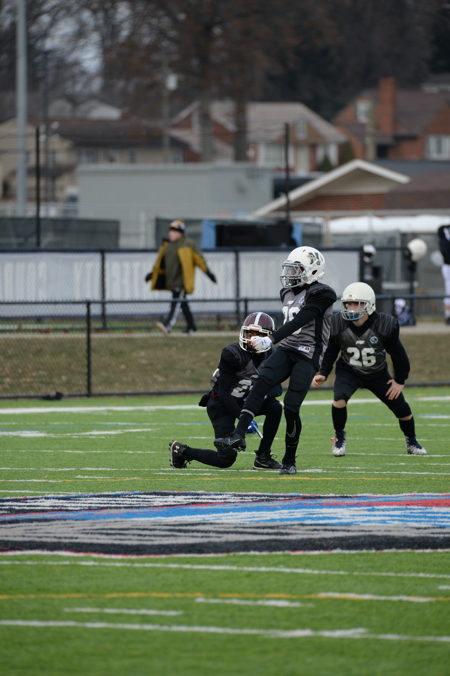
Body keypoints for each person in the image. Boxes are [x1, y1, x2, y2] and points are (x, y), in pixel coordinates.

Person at [214, 246, 337, 475]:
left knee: (291, 407)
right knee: (261, 383)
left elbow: (302, 319)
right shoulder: (286, 292)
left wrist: (270, 339)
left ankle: (289, 459)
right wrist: (275, 341)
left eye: (296, 269)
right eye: (290, 269)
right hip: (288, 348)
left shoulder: (323, 293)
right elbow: (291, 324)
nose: (291, 274)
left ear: (312, 270)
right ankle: (238, 435)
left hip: (308, 353)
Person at [311, 281, 427, 457]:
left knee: (402, 409)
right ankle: (339, 438)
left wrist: (399, 380)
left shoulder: (384, 324)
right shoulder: (337, 323)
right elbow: (331, 351)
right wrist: (323, 373)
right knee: (339, 400)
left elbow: (398, 355)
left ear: (369, 304)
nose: (351, 308)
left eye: (356, 304)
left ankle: (412, 441)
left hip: (377, 373)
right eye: (348, 304)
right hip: (349, 370)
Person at [169, 312, 283, 471]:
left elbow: (277, 388)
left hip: (246, 401)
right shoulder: (232, 354)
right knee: (226, 459)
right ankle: (182, 451)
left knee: (275, 407)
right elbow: (223, 393)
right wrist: (244, 419)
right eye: (250, 334)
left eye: (258, 335)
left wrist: (257, 398)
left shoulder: (273, 355)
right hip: (222, 404)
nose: (252, 339)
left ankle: (263, 457)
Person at [144, 219, 217, 334]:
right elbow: (160, 264)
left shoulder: (188, 244)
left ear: (180, 233)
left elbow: (199, 260)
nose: (171, 233)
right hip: (171, 281)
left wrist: (208, 272)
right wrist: (152, 274)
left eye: (174, 231)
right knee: (183, 304)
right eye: (170, 231)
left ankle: (167, 325)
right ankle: (191, 326)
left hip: (182, 281)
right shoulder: (168, 246)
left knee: (176, 302)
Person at [437, 224, 450, 325]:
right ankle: (448, 315)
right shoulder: (444, 235)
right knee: (448, 290)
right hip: (448, 265)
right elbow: (440, 230)